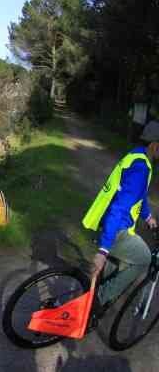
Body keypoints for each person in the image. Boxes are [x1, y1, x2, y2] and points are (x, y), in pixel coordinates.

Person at [83, 120, 159, 305]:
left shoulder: (136, 156)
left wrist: (148, 217)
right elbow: (119, 208)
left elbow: (139, 195)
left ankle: (92, 290)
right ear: (154, 145)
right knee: (144, 258)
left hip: (104, 220)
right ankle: (99, 299)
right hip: (115, 227)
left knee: (113, 267)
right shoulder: (141, 168)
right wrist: (103, 250)